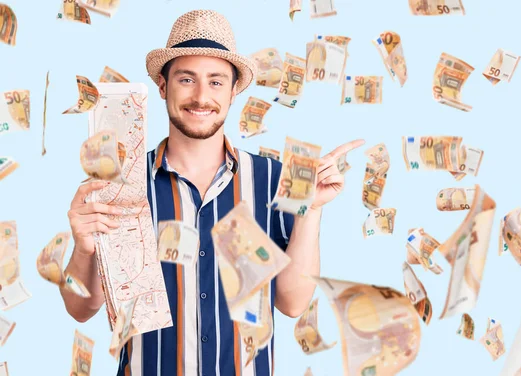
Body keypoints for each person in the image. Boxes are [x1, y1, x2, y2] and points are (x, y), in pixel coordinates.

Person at [60, 9, 364, 376]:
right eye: (186, 79)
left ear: (234, 90)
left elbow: (292, 302)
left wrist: (310, 210)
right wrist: (83, 247)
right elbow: (80, 308)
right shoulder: (120, 183)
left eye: (216, 82)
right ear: (162, 86)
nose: (201, 97)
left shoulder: (272, 179)